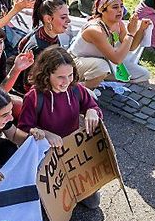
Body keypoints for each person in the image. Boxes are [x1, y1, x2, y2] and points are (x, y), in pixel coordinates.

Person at [18, 47, 103, 208]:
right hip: (46, 155)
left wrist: (92, 111)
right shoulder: (34, 97)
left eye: (70, 75)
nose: (67, 81)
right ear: (46, 75)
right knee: (51, 204)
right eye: (60, 77)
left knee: (93, 203)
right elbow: (24, 128)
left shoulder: (76, 89)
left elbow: (92, 106)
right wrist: (44, 134)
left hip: (72, 153)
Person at [71, 0, 152, 86]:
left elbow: (131, 47)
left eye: (121, 6)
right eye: (115, 7)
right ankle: (84, 90)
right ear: (102, 10)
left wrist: (141, 29)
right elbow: (116, 59)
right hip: (76, 63)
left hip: (104, 61)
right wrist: (130, 33)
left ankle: (99, 79)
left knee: (143, 74)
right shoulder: (95, 30)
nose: (120, 10)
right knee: (102, 67)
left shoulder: (119, 23)